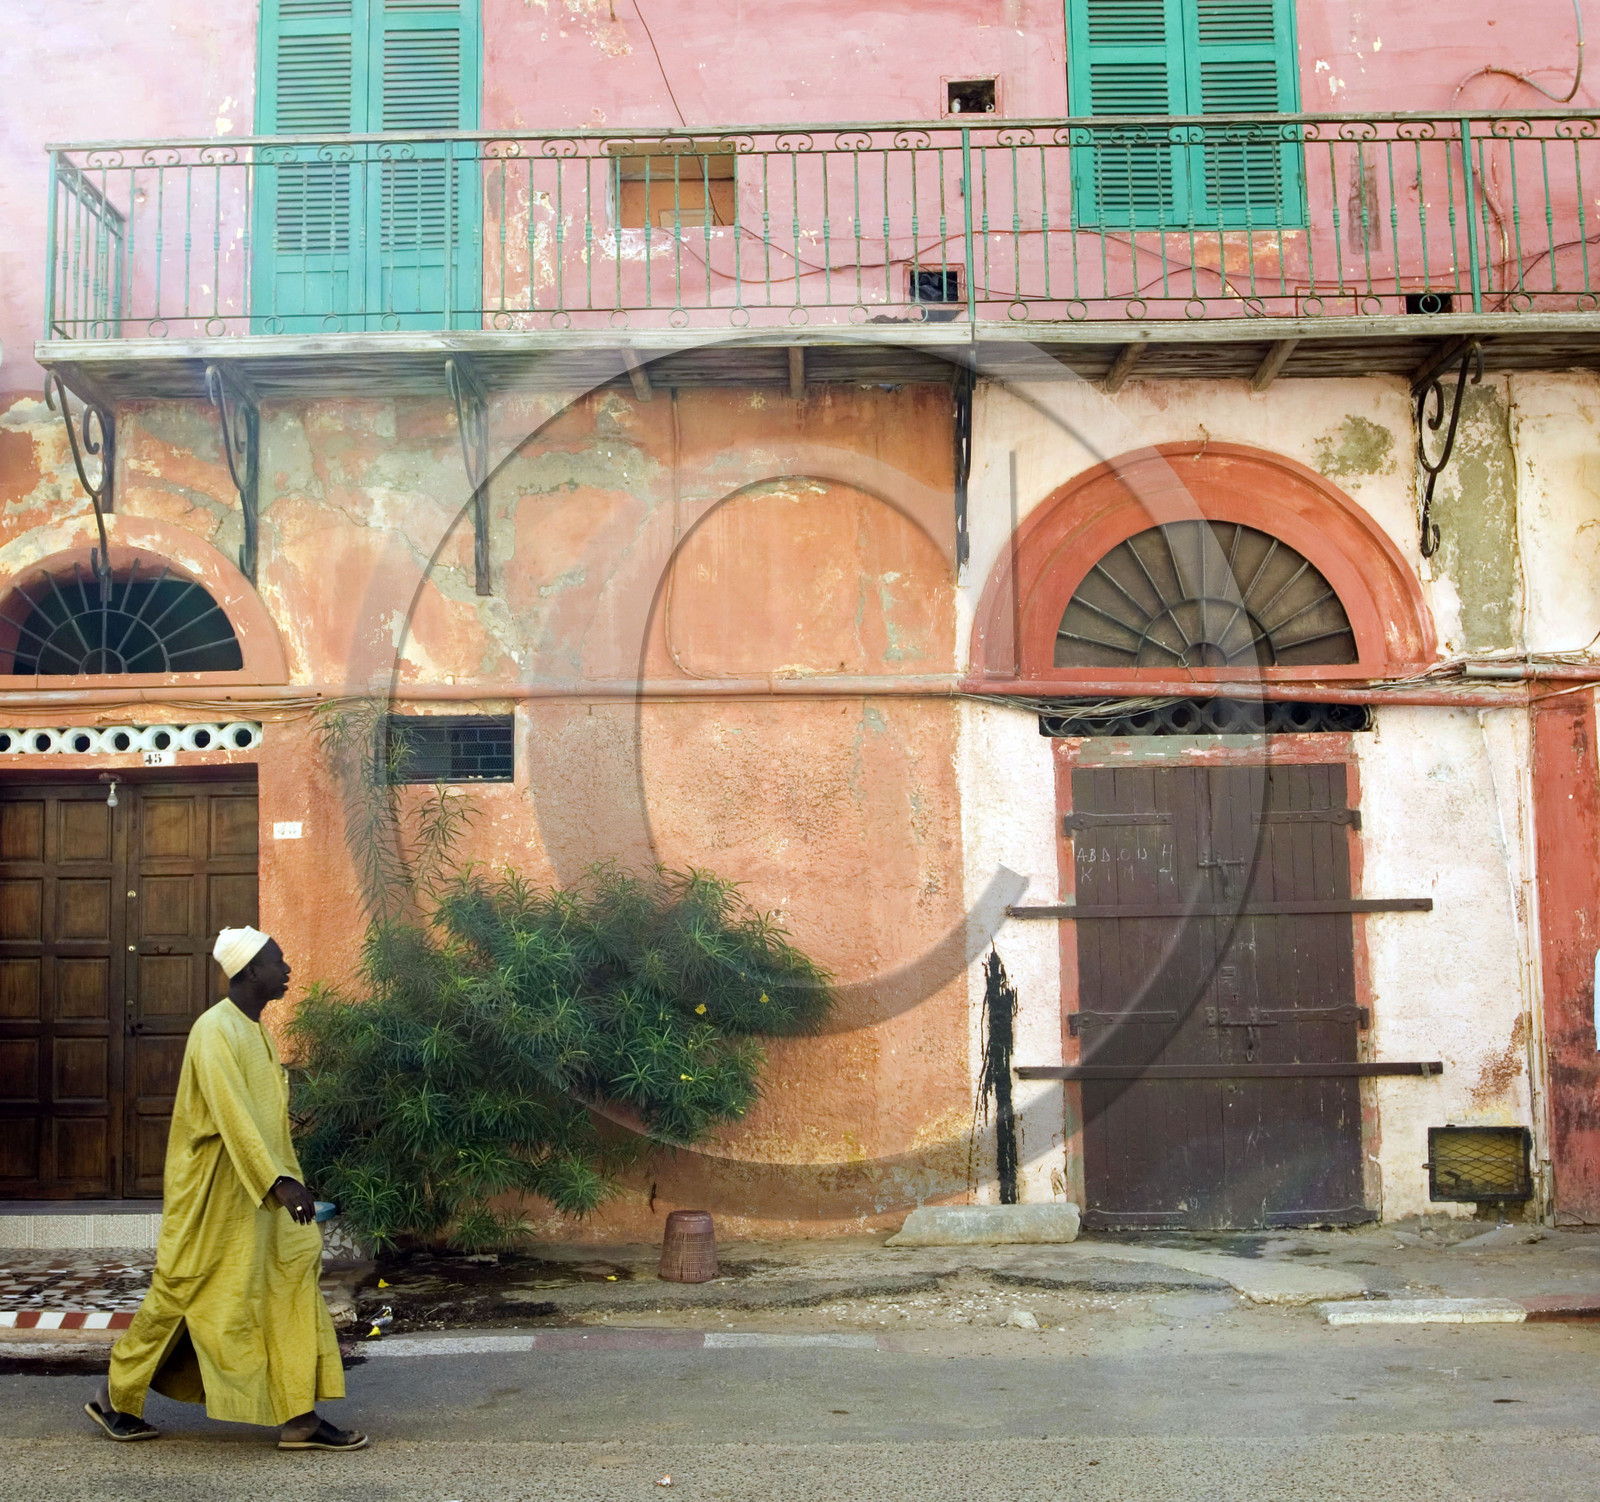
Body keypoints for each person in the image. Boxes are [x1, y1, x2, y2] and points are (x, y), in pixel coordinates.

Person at [84, 926, 366, 1451]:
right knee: (183, 1290)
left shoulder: (256, 1031)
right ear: (252, 971)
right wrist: (278, 1181)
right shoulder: (214, 1031)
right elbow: (232, 1115)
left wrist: (287, 1178)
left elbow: (266, 1124)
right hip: (214, 1194)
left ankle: (299, 1417)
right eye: (278, 961)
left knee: (288, 1279)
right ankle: (114, 1396)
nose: (287, 970)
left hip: (258, 1192)